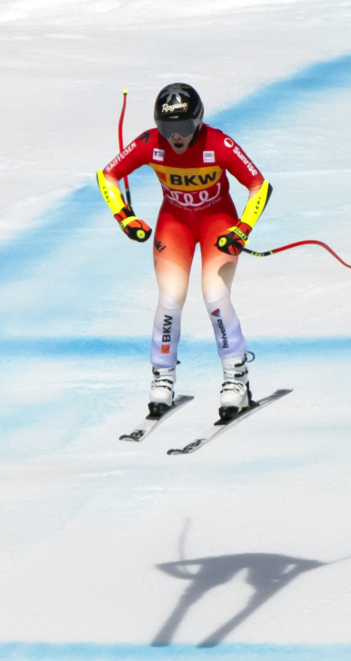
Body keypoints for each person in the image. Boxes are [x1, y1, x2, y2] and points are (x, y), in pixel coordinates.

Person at [96, 83, 272, 422]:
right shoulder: (150, 143)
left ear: (199, 122)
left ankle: (236, 377)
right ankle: (162, 376)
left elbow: (259, 185)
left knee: (215, 295)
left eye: (184, 128)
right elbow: (108, 175)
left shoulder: (218, 144)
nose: (175, 137)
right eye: (167, 128)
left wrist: (242, 229)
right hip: (174, 224)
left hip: (217, 223)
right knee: (170, 297)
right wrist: (124, 217)